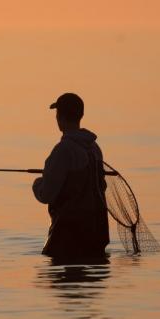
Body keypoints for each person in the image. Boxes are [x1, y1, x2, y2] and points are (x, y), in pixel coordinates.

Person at [33, 93, 110, 261]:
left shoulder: (63, 150)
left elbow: (47, 194)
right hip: (96, 232)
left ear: (59, 117)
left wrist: (37, 184)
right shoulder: (94, 148)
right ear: (80, 115)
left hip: (69, 235)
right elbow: (101, 186)